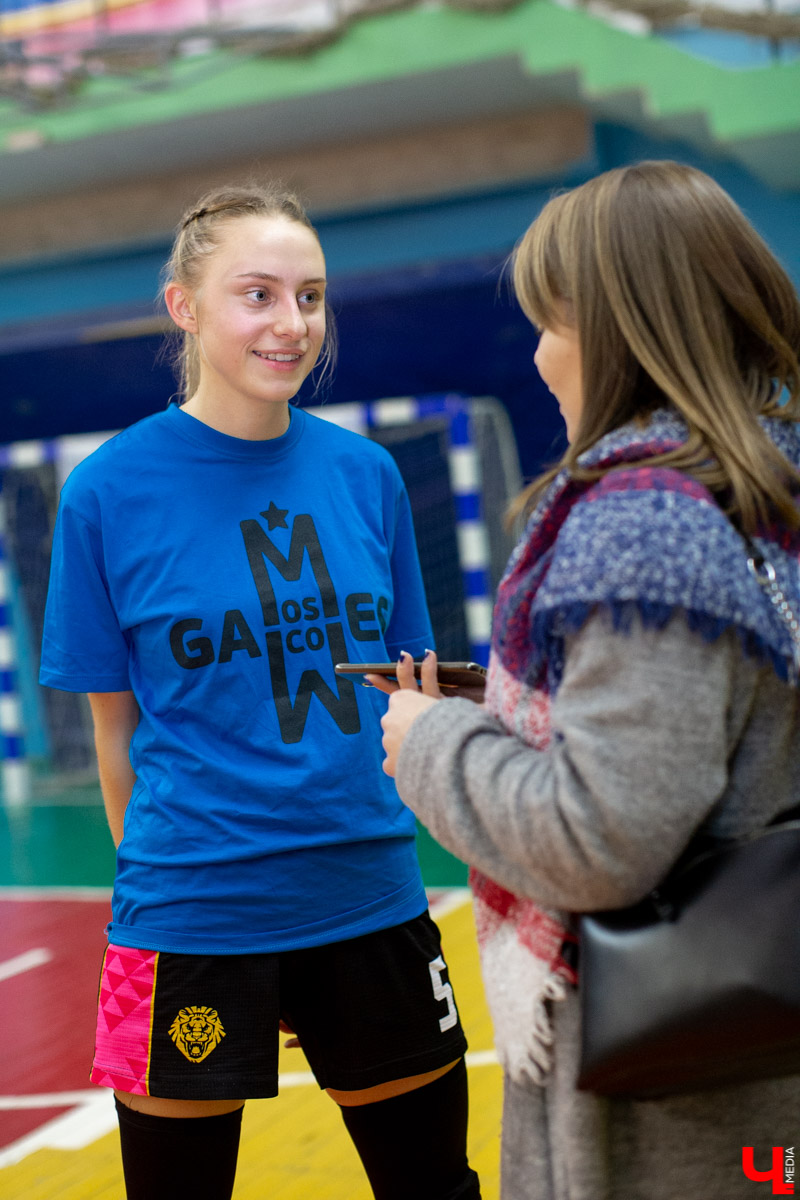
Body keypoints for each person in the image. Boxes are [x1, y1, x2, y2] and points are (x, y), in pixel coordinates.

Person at [38, 183, 481, 1200]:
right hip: (182, 917)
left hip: (369, 898)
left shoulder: (367, 475)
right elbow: (114, 738)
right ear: (183, 307)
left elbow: (409, 697)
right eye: (258, 294)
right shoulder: (103, 492)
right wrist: (182, 901)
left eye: (310, 296)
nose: (292, 323)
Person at [373, 161, 800, 1200]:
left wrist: (429, 742)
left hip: (686, 1117)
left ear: (615, 329)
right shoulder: (769, 487)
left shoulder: (645, 525)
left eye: (550, 323)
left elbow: (599, 839)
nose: (538, 355)